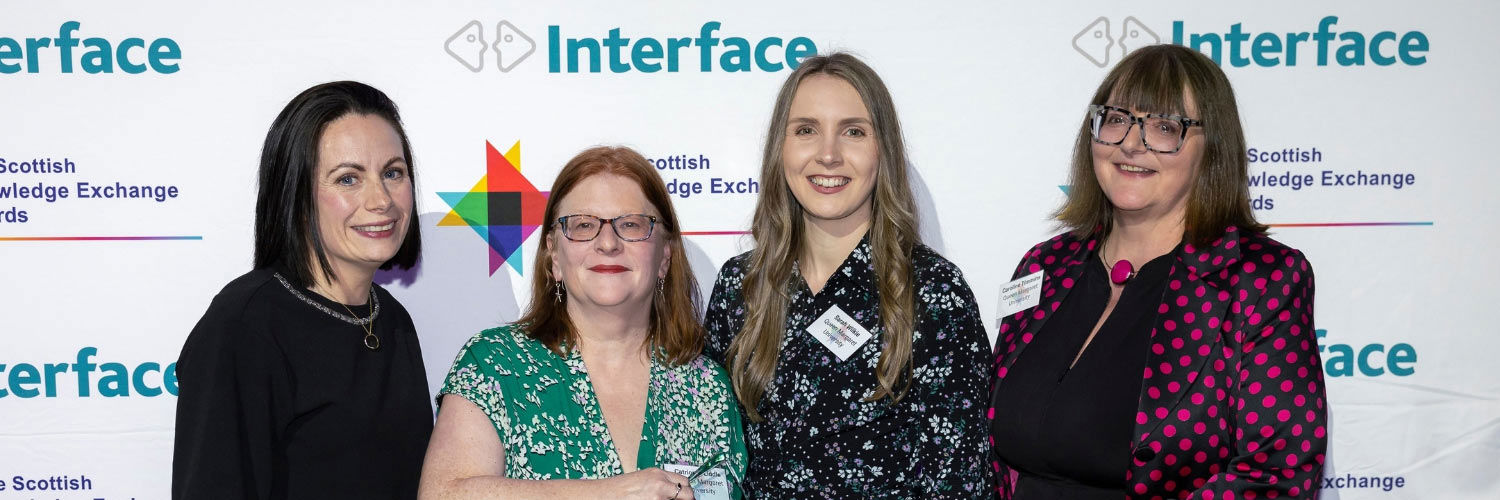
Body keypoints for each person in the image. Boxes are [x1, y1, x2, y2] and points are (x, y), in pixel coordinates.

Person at [987, 44, 1327, 499]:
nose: (1131, 143)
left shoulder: (1263, 278)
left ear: (1213, 149)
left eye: (1165, 128)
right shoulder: (1045, 265)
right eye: (1116, 119)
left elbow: (1277, 472)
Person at [703, 52, 993, 499]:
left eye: (853, 132)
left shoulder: (934, 292)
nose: (828, 154)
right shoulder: (740, 288)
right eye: (806, 130)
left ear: (883, 151)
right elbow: (716, 459)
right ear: (781, 149)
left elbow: (960, 480)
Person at [419, 146, 747, 500]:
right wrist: (606, 493)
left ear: (664, 256)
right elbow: (443, 493)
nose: (608, 243)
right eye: (584, 225)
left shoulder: (706, 385)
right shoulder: (495, 364)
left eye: (632, 225)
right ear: (554, 256)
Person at [172, 81, 432, 499]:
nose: (381, 199)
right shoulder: (243, 327)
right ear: (297, 194)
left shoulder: (392, 318)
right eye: (348, 179)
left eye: (392, 172)